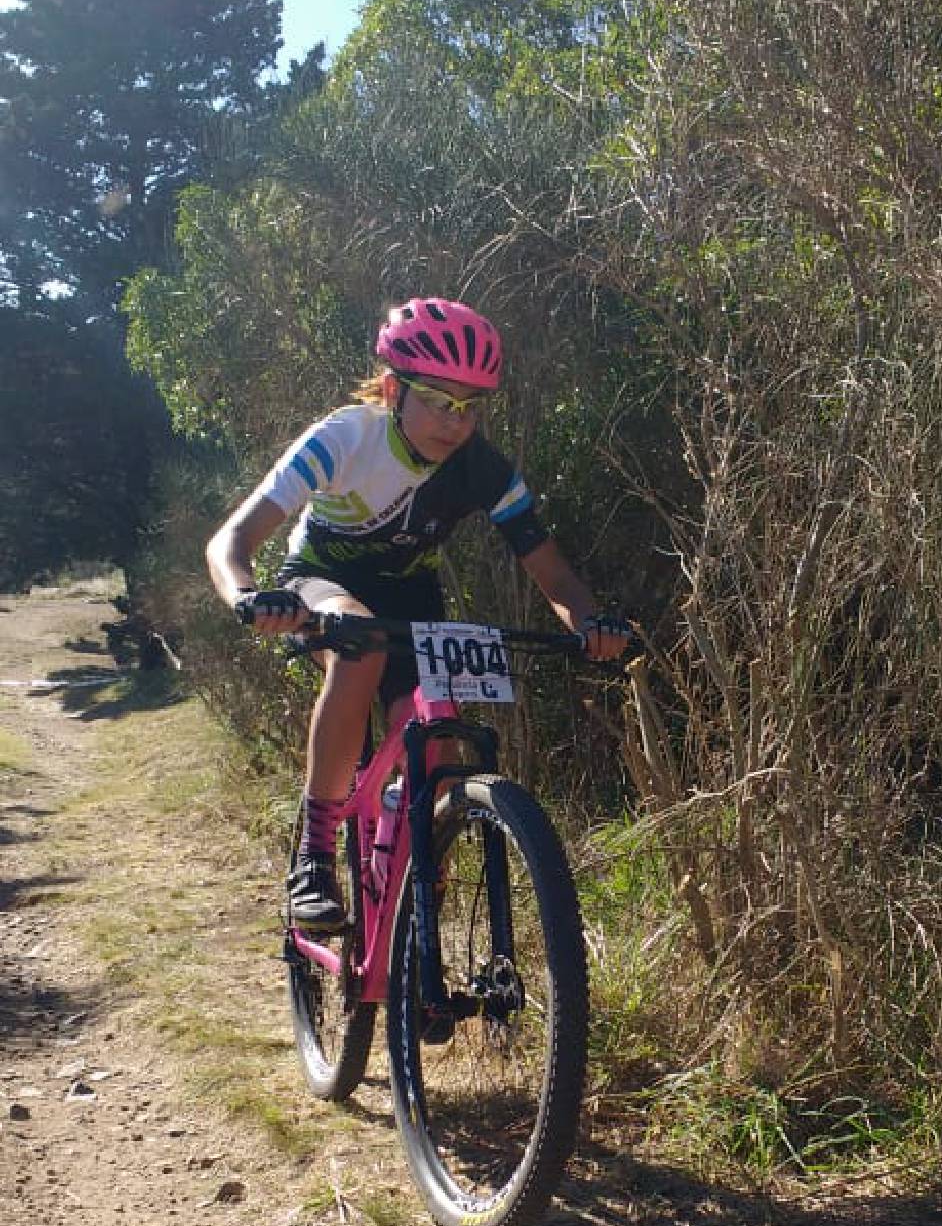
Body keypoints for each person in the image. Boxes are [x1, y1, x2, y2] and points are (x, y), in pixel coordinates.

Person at [206, 297, 629, 931]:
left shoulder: (483, 469)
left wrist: (593, 624)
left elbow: (554, 574)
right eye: (437, 399)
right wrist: (248, 594)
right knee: (362, 649)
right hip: (323, 579)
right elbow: (230, 541)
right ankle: (316, 856)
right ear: (392, 388)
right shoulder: (345, 438)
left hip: (412, 598)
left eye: (469, 406)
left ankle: (406, 919)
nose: (454, 422)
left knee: (434, 737)